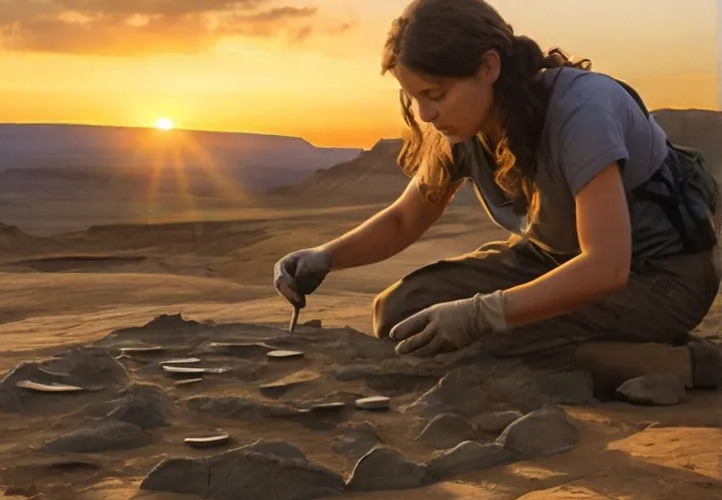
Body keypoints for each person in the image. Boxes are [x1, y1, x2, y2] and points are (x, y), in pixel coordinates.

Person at [273, 0, 721, 390]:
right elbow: (406, 219)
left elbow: (606, 266)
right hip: (553, 260)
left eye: (436, 94)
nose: (427, 114)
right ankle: (583, 345)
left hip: (658, 279)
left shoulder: (582, 111)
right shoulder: (462, 125)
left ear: (488, 66)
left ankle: (680, 364)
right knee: (400, 316)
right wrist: (327, 256)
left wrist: (479, 315)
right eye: (414, 99)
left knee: (487, 339)